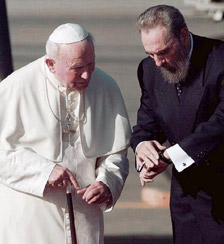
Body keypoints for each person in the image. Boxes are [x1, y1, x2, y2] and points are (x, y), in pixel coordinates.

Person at [0, 23, 131, 244]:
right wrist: (43, 171)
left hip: (84, 215)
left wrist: (107, 182)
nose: (88, 74)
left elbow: (116, 152)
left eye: (91, 63)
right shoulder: (16, 87)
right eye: (78, 67)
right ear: (51, 64)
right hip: (31, 216)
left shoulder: (106, 85)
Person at [130, 5, 224, 244]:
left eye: (163, 52)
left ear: (183, 35)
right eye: (150, 54)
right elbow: (147, 122)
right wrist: (143, 148)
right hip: (185, 201)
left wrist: (170, 156)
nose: (158, 62)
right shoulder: (149, 69)